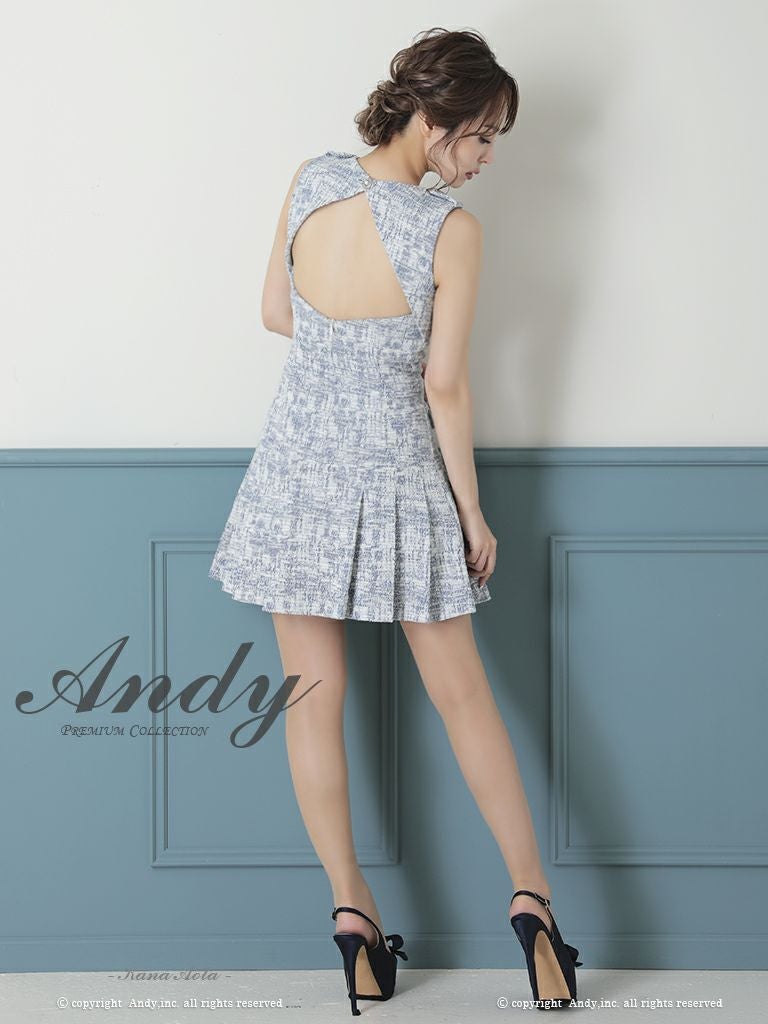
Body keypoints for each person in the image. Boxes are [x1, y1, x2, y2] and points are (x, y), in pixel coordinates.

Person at [209, 26, 581, 1015]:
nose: (487, 158)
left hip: (296, 476)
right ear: (434, 119)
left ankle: (352, 916)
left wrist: (341, 350)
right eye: (482, 135)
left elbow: (277, 312)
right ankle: (534, 907)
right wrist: (472, 511)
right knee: (466, 699)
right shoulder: (450, 231)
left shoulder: (312, 179)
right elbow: (444, 386)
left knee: (309, 704)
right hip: (402, 482)